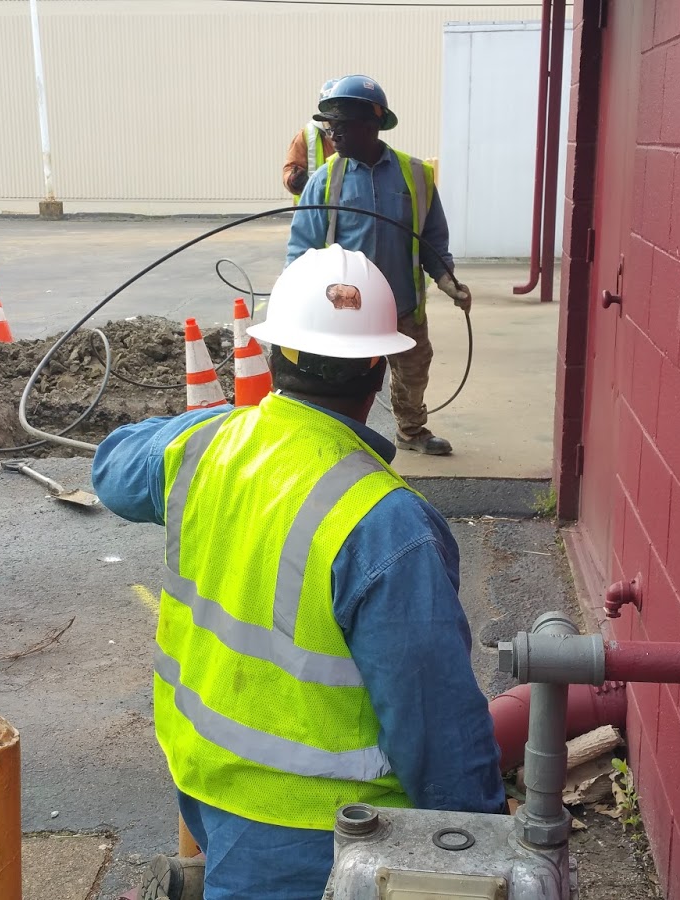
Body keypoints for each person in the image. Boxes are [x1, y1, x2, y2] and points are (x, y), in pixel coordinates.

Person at [93, 245, 504, 900]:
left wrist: (228, 421)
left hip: (204, 781)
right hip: (324, 836)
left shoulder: (206, 446)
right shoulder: (388, 524)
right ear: (379, 366)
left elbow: (111, 466)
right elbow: (436, 729)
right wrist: (480, 847)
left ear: (273, 354)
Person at [288, 74, 472, 457]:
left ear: (371, 125)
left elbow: (433, 237)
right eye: (329, 124)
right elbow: (302, 247)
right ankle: (341, 437)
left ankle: (411, 429)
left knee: (413, 368)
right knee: (344, 375)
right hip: (346, 306)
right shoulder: (324, 180)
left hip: (403, 302)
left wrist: (446, 278)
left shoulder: (416, 175)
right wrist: (294, 298)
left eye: (341, 124)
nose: (332, 133)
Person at [282, 78, 338, 201]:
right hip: (310, 210)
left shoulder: (354, 134)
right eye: (330, 105)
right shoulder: (307, 135)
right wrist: (293, 180)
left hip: (344, 210)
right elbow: (290, 168)